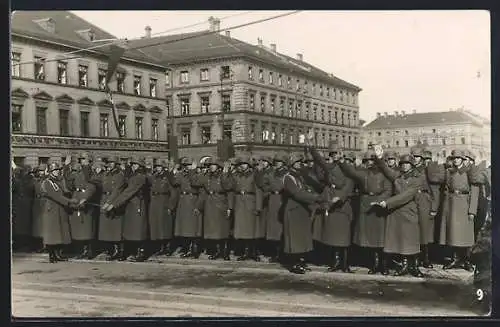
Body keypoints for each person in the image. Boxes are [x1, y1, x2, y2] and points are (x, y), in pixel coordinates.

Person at [373, 146, 424, 277]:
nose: (405, 166)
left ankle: (414, 266)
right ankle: (405, 264)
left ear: (412, 165)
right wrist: (379, 158)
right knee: (401, 240)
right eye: (402, 164)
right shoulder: (397, 176)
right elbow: (385, 169)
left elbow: (406, 196)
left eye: (407, 164)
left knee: (411, 240)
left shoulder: (417, 179)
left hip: (409, 212)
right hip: (397, 213)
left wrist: (387, 202)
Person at [338, 149, 392, 275]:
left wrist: (380, 201)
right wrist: (342, 161)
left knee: (381, 237)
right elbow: (351, 171)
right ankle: (374, 263)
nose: (369, 163)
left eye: (371, 160)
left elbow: (388, 190)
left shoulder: (385, 174)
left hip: (379, 207)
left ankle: (383, 265)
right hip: (366, 205)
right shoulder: (364, 174)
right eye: (367, 161)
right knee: (370, 238)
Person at [282, 153, 327, 274]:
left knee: (302, 238)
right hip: (293, 210)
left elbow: (306, 190)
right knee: (295, 238)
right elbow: (297, 194)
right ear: (291, 164)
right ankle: (294, 263)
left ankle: (300, 261)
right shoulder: (288, 178)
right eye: (296, 162)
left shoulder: (299, 177)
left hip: (302, 210)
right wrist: (316, 197)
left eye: (300, 162)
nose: (299, 164)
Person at [439, 150, 478, 271]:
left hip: (464, 204)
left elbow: (475, 192)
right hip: (451, 205)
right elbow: (445, 189)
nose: (456, 160)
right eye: (454, 158)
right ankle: (455, 259)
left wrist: (472, 211)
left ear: (463, 159)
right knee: (453, 233)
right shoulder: (449, 172)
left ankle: (466, 260)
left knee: (465, 234)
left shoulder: (469, 172)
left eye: (458, 158)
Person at [105, 157, 149, 262]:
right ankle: (131, 252)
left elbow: (128, 192)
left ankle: (141, 253)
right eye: (133, 164)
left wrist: (114, 204)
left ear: (140, 167)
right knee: (131, 230)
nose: (133, 166)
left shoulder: (139, 177)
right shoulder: (133, 176)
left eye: (136, 164)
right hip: (131, 205)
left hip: (137, 205)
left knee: (138, 230)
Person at [227, 154, 263, 261]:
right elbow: (229, 188)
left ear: (249, 165)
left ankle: (253, 252)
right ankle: (245, 252)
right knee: (242, 230)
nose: (243, 166)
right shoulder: (235, 175)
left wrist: (258, 207)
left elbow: (259, 191)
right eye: (241, 164)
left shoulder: (254, 175)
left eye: (245, 164)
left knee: (252, 229)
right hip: (239, 203)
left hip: (250, 203)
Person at [196, 158, 233, 260]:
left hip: (221, 203)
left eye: (214, 165)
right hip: (210, 204)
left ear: (218, 167)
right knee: (213, 230)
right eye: (210, 165)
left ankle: (225, 252)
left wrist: (230, 207)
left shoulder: (224, 175)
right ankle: (217, 251)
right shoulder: (207, 176)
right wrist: (199, 206)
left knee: (223, 229)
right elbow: (198, 184)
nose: (211, 166)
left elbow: (228, 189)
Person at [40, 162, 78, 263]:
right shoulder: (47, 182)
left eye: (58, 170)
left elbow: (63, 193)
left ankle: (57, 254)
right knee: (52, 233)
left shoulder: (59, 181)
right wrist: (69, 201)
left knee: (59, 233)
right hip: (52, 209)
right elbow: (55, 196)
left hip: (60, 209)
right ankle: (51, 255)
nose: (57, 172)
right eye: (55, 170)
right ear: (51, 171)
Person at [257, 153, 288, 263]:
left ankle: (283, 253)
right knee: (273, 229)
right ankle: (275, 253)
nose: (277, 164)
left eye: (279, 162)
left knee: (283, 228)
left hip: (283, 199)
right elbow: (261, 184)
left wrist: (283, 190)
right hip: (273, 200)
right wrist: (270, 189)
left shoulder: (287, 174)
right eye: (276, 162)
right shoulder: (271, 173)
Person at [172, 157, 204, 258]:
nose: (186, 168)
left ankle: (194, 250)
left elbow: (198, 187)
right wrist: (175, 171)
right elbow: (175, 182)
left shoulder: (198, 175)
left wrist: (198, 205)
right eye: (185, 166)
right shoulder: (182, 175)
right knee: (184, 228)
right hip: (183, 202)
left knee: (193, 228)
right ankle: (186, 248)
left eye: (189, 166)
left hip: (192, 201)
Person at [98, 157, 126, 261]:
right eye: (108, 162)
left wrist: (109, 203)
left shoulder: (119, 175)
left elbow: (117, 190)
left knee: (117, 229)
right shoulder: (105, 174)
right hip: (105, 199)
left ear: (116, 164)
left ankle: (120, 252)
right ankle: (112, 251)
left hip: (115, 202)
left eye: (112, 162)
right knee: (108, 228)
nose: (109, 164)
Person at [68, 162, 98, 259]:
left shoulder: (91, 180)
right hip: (77, 201)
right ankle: (81, 250)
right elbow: (71, 185)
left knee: (88, 230)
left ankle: (89, 250)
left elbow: (91, 189)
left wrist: (85, 199)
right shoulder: (77, 176)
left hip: (86, 207)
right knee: (78, 230)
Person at [411, 147, 435, 268]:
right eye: (414, 157)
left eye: (418, 157)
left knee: (425, 230)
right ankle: (413, 258)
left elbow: (433, 188)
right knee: (413, 229)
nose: (415, 159)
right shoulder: (409, 169)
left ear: (422, 158)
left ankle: (426, 258)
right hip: (412, 199)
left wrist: (433, 206)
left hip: (424, 199)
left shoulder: (427, 169)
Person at [148, 160, 176, 257]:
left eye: (160, 166)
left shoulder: (167, 177)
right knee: (156, 226)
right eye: (157, 166)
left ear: (163, 167)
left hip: (164, 202)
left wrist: (170, 206)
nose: (158, 168)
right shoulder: (154, 177)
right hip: (155, 203)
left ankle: (168, 248)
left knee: (165, 227)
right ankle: (160, 247)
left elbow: (173, 193)